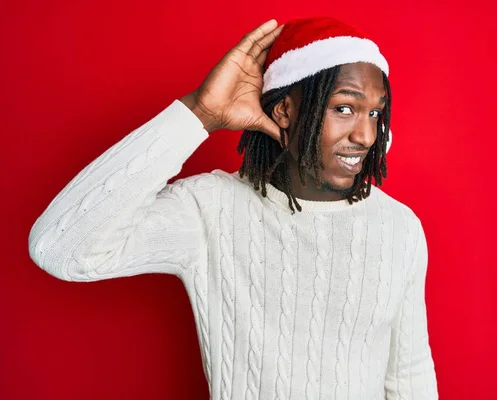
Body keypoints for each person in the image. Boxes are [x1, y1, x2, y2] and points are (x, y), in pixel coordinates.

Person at [28, 16, 438, 399]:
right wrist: (200, 113)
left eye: (375, 112)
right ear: (284, 110)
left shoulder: (398, 227)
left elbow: (409, 375)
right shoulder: (212, 210)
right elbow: (61, 249)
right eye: (344, 108)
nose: (367, 134)